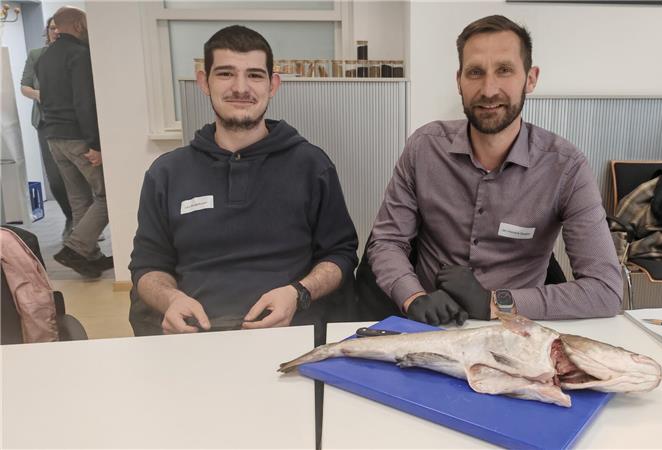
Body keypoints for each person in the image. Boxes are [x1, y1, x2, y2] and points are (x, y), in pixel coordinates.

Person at [367, 15, 622, 326]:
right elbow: (387, 242)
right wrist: (413, 298)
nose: (489, 90)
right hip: (432, 326)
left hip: (517, 331)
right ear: (459, 80)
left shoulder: (565, 167)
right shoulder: (423, 149)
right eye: (475, 72)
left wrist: (494, 303)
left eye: (504, 70)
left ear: (530, 78)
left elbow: (605, 290)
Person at [128, 25, 358, 335]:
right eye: (225, 74)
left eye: (254, 75)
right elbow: (147, 267)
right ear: (203, 82)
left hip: (291, 333)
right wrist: (171, 299)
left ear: (272, 84)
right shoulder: (167, 173)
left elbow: (340, 255)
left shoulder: (311, 165)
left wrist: (298, 292)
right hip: (194, 337)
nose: (240, 88)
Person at [36, 6, 111, 278]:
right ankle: (76, 248)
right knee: (107, 197)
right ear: (79, 25)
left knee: (79, 199)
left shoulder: (45, 57)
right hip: (78, 137)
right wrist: (96, 144)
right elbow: (84, 102)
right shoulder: (80, 55)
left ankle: (90, 258)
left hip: (53, 136)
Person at [20, 17, 73, 240]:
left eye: (59, 27)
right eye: (52, 28)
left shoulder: (77, 54)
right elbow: (25, 86)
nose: (56, 31)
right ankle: (70, 218)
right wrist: (45, 95)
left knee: (81, 178)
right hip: (46, 123)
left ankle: (84, 225)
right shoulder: (36, 55)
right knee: (56, 180)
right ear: (47, 31)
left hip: (74, 123)